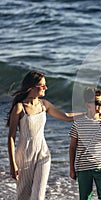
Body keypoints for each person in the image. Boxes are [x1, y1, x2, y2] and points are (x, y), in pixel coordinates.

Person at [7, 70, 82, 200]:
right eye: (42, 85)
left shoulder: (44, 105)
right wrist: (12, 164)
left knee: (38, 197)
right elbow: (11, 137)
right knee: (23, 196)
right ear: (31, 87)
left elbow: (66, 117)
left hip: (43, 155)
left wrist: (87, 114)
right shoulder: (19, 108)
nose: (45, 88)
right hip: (24, 157)